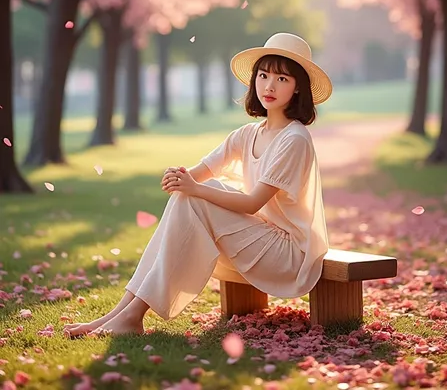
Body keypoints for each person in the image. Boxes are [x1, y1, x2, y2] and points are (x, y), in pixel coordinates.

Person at [63, 32, 332, 338]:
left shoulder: (294, 139)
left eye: (282, 79)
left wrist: (193, 188)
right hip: (263, 237)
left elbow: (252, 203)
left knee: (195, 197)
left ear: (298, 89)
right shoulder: (247, 134)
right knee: (187, 199)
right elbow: (201, 171)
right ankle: (121, 315)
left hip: (289, 254)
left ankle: (131, 316)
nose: (269, 86)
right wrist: (180, 177)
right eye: (263, 75)